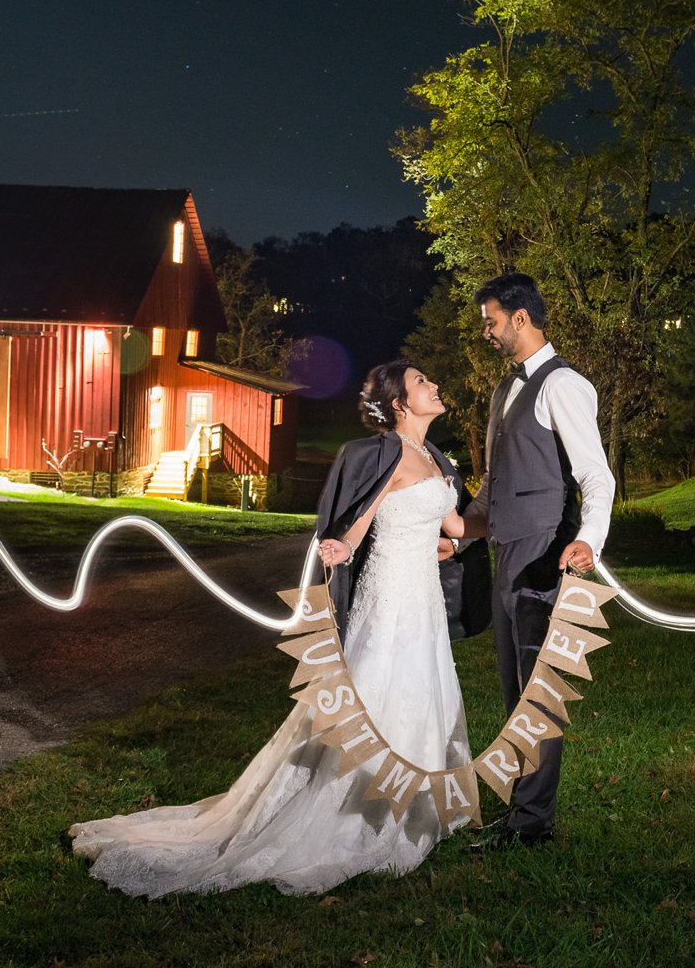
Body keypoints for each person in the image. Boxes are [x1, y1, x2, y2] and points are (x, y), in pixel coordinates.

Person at [69, 360, 473, 898]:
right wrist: (342, 546)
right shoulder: (388, 454)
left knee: (426, 691)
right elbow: (359, 518)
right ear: (399, 402)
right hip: (389, 599)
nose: (434, 385)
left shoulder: (435, 457)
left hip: (423, 601)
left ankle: (416, 803)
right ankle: (361, 813)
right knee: (380, 694)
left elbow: (458, 526)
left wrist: (510, 517)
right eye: (424, 381)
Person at [459, 272, 614, 850]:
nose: (486, 333)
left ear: (521, 319)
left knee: (537, 691)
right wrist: (463, 535)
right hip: (505, 554)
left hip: (545, 554)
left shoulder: (563, 385)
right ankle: (524, 811)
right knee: (514, 690)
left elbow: (595, 475)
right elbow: (495, 485)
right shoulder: (507, 390)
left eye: (491, 322)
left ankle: (532, 824)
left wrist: (589, 539)